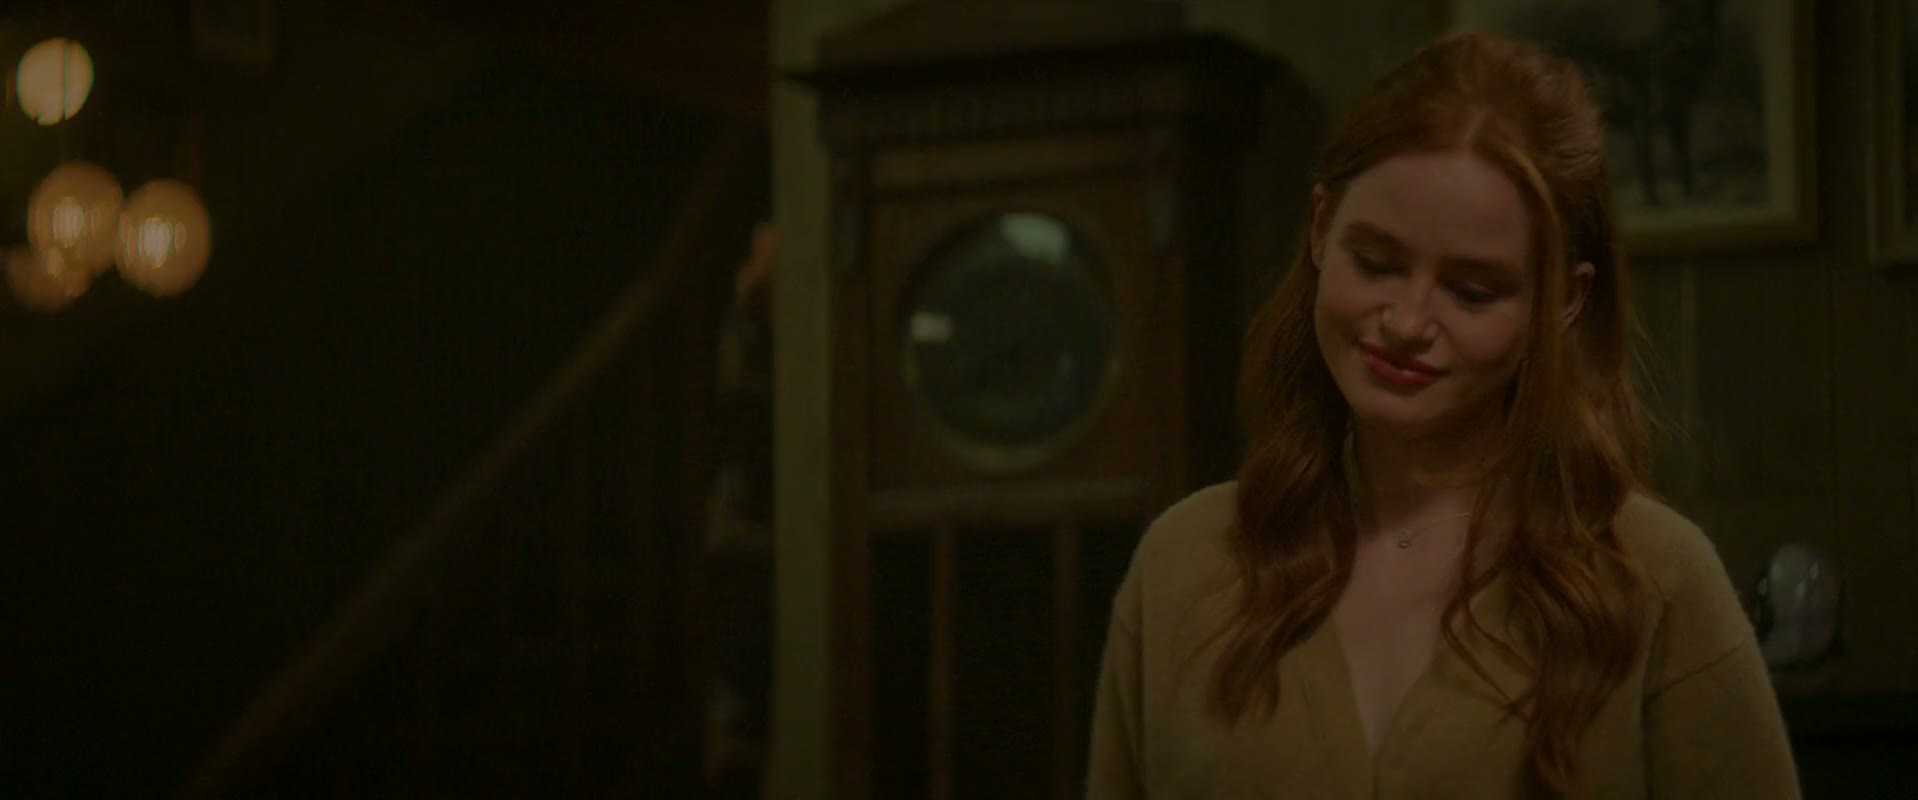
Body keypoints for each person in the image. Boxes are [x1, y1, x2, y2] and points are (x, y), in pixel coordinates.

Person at [1085, 32, 1798, 799]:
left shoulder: (1653, 580)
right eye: (1377, 263)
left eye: (1471, 291)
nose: (1406, 322)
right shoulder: (1185, 564)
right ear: (1322, 229)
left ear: (1563, 301)